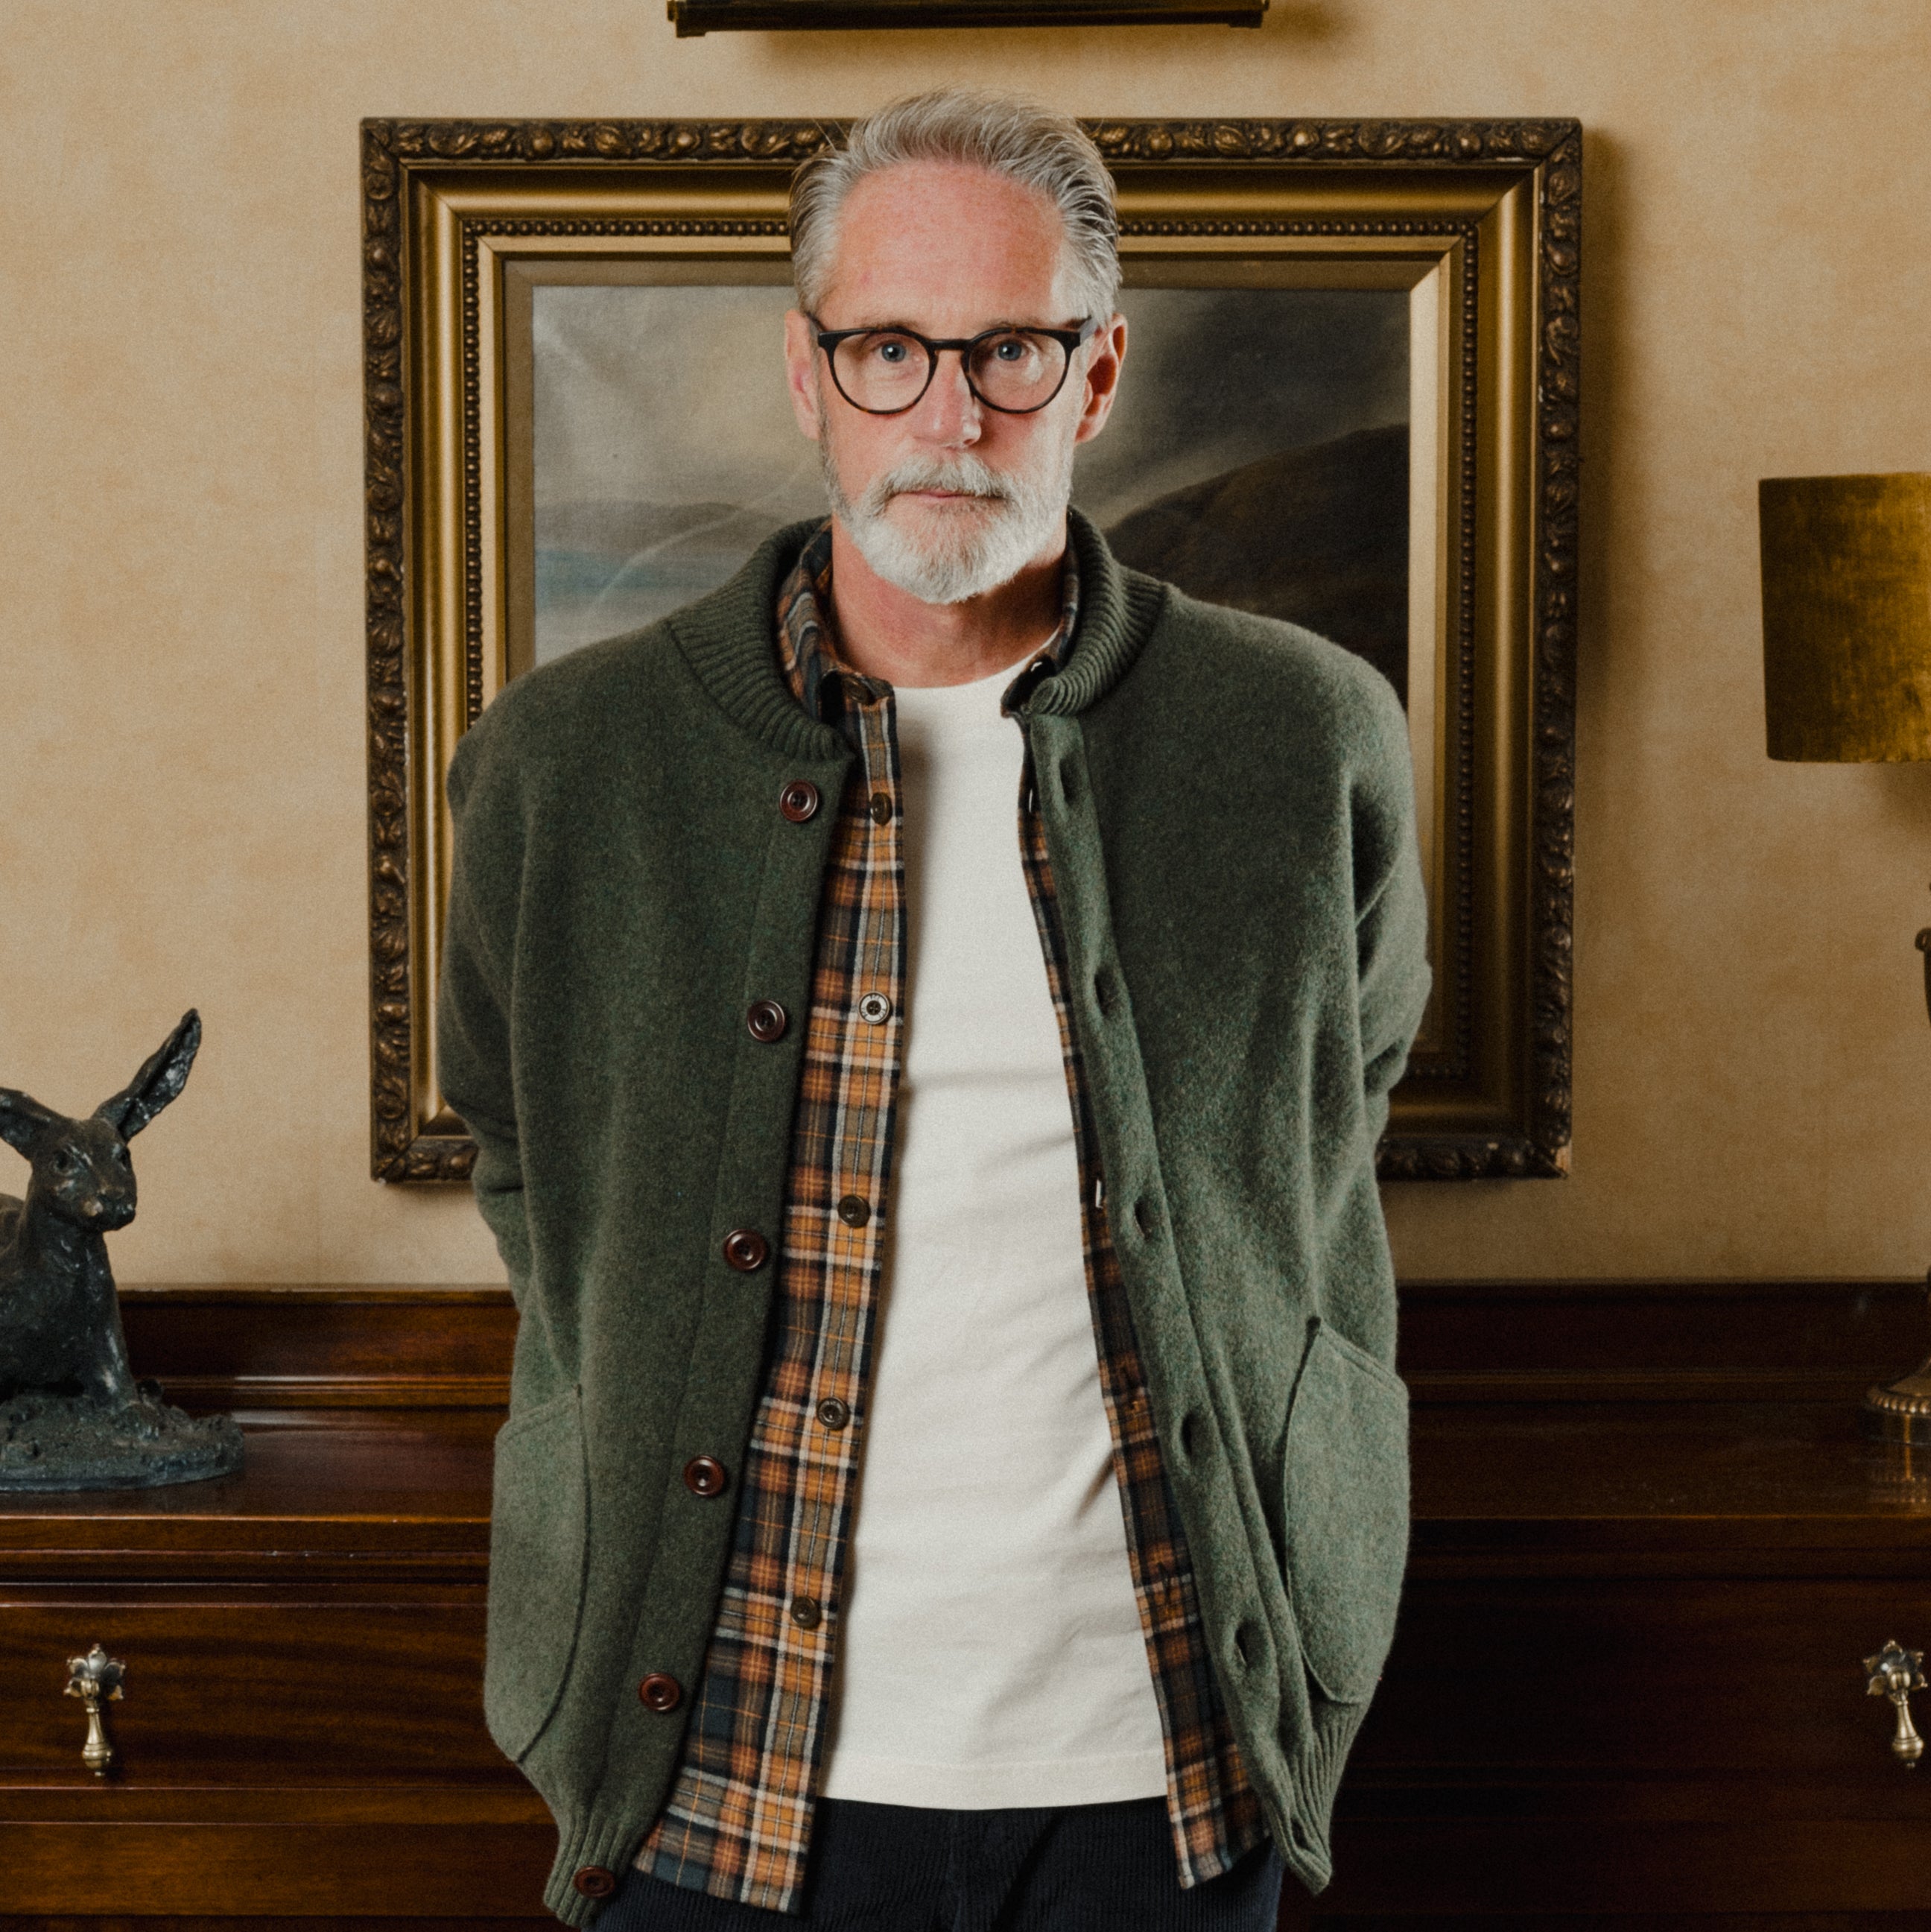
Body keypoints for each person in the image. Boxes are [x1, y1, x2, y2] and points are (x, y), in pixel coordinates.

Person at [438, 87, 1430, 1932]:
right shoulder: (563, 767)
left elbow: (1330, 1114)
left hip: (1174, 1756)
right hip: (710, 1767)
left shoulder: (1304, 740)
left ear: (1101, 373)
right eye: (890, 350)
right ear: (807, 375)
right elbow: (523, 1147)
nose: (951, 417)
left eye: (1012, 352)